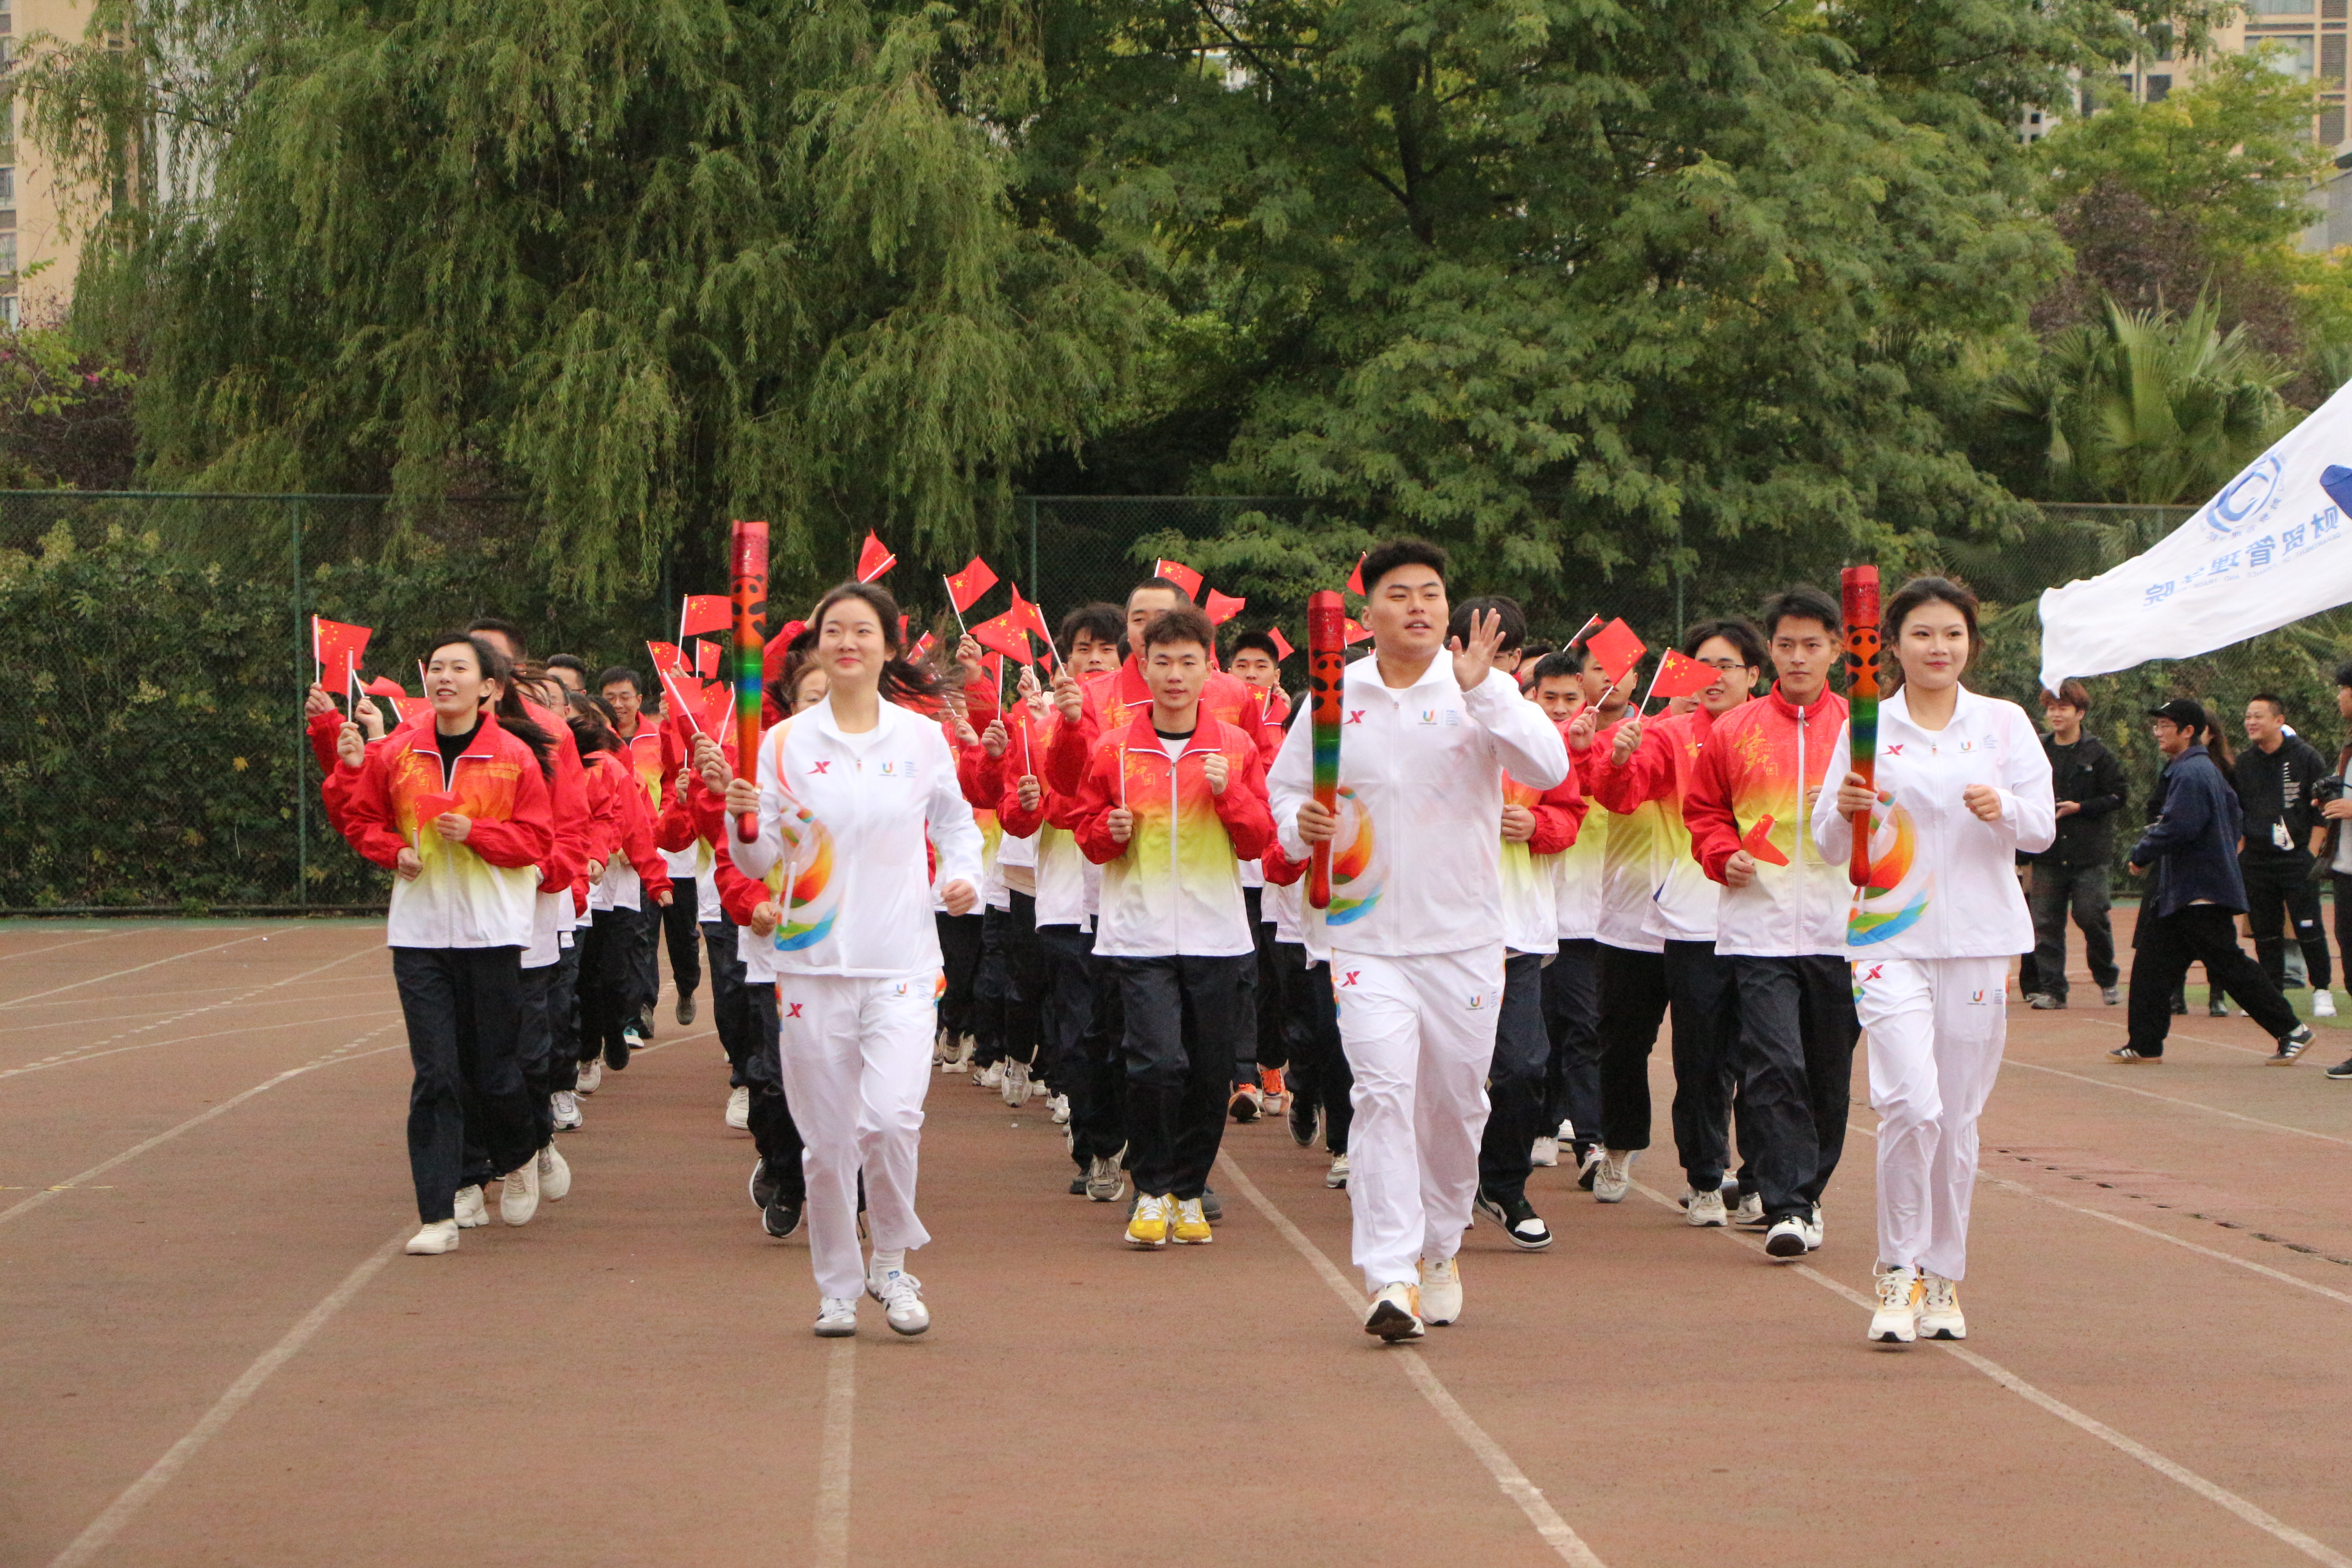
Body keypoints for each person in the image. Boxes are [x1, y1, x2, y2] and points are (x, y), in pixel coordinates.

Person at [1267, 540, 1569, 1341]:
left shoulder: (1482, 688)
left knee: (1454, 1104)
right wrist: (1298, 826)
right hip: (1362, 938)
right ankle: (1390, 1275)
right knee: (1381, 1096)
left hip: (1463, 937)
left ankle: (1439, 1246)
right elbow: (1287, 790)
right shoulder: (1334, 693)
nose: (1416, 607)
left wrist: (1486, 697)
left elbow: (1546, 768)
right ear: (1365, 615)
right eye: (1397, 594)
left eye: (1430, 593)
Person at [725, 581, 983, 1338]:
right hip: (808, 964)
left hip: (901, 959)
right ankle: (837, 1282)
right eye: (833, 630)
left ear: (885, 646)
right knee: (829, 1141)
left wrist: (959, 878)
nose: (847, 642)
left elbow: (957, 824)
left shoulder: (919, 739)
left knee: (894, 1118)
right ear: (815, 647)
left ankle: (893, 1263)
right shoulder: (783, 744)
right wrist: (742, 818)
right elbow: (759, 852)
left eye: (862, 631)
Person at [1811, 578, 2053, 1344]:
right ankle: (1895, 1269)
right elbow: (1825, 843)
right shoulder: (1866, 725)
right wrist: (1839, 810)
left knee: (1955, 1120)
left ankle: (1941, 1275)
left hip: (1979, 942)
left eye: (1950, 634)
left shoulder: (2003, 724)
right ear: (1890, 644)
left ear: (1968, 643)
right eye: (1920, 634)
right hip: (1888, 935)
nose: (1937, 648)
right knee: (1908, 1106)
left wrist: (2004, 810)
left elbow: (2042, 829)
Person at [338, 633, 559, 1256]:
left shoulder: (514, 756)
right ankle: (438, 1212)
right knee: (436, 1072)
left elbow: (537, 842)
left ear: (488, 687)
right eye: (436, 667)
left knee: (494, 1069)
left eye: (460, 668)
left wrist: (480, 833)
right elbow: (361, 819)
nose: (445, 677)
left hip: (492, 931)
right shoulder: (399, 751)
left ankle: (518, 1154)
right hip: (420, 932)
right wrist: (394, 851)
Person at [1068, 605, 1275, 1247]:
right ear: (1145, 667)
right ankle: (1151, 1188)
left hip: (1217, 933)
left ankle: (1189, 1190)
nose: (1176, 675)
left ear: (1208, 670)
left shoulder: (1235, 747)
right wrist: (1109, 829)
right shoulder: (1116, 745)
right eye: (1163, 662)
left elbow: (1259, 840)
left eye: (1189, 662)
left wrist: (1229, 794)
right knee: (1156, 1063)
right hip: (1140, 931)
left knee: (1211, 1071)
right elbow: (1086, 832)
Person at [1683, 587, 1855, 1259]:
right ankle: (1788, 1203)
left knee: (1827, 1072)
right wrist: (1721, 854)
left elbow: (1901, 817)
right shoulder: (1734, 730)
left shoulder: (1864, 727)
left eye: (1813, 645)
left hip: (1845, 931)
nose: (1799, 657)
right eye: (1786, 645)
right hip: (1758, 928)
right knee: (1773, 1065)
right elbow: (1706, 814)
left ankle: (1807, 1193)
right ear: (1771, 651)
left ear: (1838, 650)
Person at [1581, 617, 1764, 1230]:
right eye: (1703, 665)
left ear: (1752, 676)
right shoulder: (1666, 733)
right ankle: (1620, 1148)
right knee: (1624, 1045)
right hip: (1634, 921)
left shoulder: (1765, 738)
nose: (1714, 678)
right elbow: (1621, 795)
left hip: (1717, 921)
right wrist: (1618, 760)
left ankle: (1708, 1174)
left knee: (1709, 1056)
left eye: (1728, 666)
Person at [1458, 599, 1586, 1251]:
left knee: (1523, 1066)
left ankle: (1501, 1184)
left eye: (1507, 654)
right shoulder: (1426, 718)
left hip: (1516, 932)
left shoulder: (1533, 729)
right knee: (1446, 1074)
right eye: (1481, 649)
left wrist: (1537, 826)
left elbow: (1568, 810)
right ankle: (1442, 1188)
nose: (1495, 665)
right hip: (1443, 933)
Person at [2111, 700, 2315, 1067]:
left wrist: (2141, 853)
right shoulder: (2199, 769)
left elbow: (2180, 827)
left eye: (2165, 725)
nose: (2158, 732)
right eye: (2156, 724)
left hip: (2201, 891)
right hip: (2187, 891)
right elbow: (2233, 812)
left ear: (2188, 731)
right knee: (2152, 966)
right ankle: (2144, 1043)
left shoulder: (2192, 773)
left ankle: (2292, 1029)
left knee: (2230, 966)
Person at [1524, 648, 1602, 1177]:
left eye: (1569, 698)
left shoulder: (1594, 744)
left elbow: (1603, 794)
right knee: (1541, 1029)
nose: (1558, 707)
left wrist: (1584, 752)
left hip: (1586, 912)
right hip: (1532, 913)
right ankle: (1543, 1125)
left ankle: (1590, 1137)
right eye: (1548, 697)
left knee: (1585, 1027)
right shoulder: (1520, 744)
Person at [604, 665, 705, 1034]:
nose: (618, 704)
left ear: (639, 699)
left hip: (676, 854)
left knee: (683, 937)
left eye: (625, 696)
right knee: (641, 934)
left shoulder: (657, 738)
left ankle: (687, 986)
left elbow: (674, 776)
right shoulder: (603, 741)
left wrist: (665, 820)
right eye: (611, 697)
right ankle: (642, 1007)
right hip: (633, 856)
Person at [2019, 681, 2126, 1011]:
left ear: (2080, 713)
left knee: (2091, 914)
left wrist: (2080, 807)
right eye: (2051, 708)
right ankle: (2053, 990)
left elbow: (2119, 796)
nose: (2055, 714)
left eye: (2063, 708)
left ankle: (2107, 977)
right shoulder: (2037, 749)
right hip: (2048, 854)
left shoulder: (2099, 753)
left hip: (2088, 854)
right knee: (2045, 924)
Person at [1227, 627, 1296, 1120]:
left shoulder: (1295, 729)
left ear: (1276, 674)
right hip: (1228, 873)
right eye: (1242, 666)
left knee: (1272, 981)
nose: (1252, 674)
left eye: (1261, 667)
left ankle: (1272, 1064)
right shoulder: (1211, 724)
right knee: (1239, 977)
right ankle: (1242, 1077)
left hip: (1274, 878)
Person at [2235, 693, 2336, 1016]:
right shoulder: (2244, 763)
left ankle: (2322, 989)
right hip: (2257, 859)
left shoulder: (2306, 757)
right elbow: (2236, 811)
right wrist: (2241, 852)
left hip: (2297, 859)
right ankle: (2271, 994)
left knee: (2308, 925)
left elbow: (2322, 809)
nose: (2251, 722)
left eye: (2259, 716)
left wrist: (2310, 852)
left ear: (2279, 721)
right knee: (2265, 930)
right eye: (2248, 716)